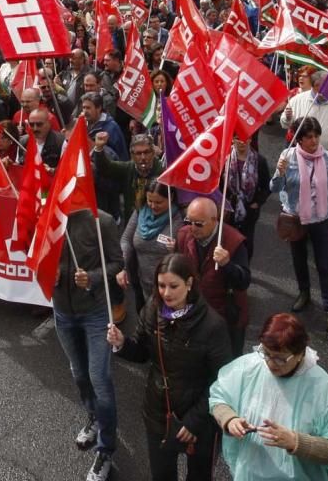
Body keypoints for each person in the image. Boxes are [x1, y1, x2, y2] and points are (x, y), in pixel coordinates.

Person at [106, 254, 234, 481]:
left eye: (173, 286)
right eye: (161, 285)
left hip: (198, 418)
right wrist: (122, 344)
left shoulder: (213, 326)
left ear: (190, 283)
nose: (166, 293)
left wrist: (195, 420)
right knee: (162, 475)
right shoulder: (152, 309)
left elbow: (222, 381)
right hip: (159, 411)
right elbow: (142, 353)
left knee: (199, 476)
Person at [209, 313, 328, 480]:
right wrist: (230, 420)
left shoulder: (325, 391)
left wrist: (296, 442)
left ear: (300, 354)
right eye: (266, 353)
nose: (270, 363)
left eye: (280, 359)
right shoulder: (249, 367)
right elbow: (218, 397)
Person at [53, 207, 124, 481]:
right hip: (62, 312)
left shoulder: (102, 220)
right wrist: (52, 271)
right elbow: (34, 253)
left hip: (95, 313)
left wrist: (92, 277)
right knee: (79, 373)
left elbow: (118, 262)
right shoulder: (48, 216)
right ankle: (94, 417)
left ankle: (105, 450)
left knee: (100, 379)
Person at [272, 117, 328, 333]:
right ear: (299, 139)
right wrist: (280, 173)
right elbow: (274, 188)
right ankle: (304, 293)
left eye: (316, 136)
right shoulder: (287, 157)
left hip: (323, 219)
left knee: (325, 265)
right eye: (308, 137)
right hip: (296, 219)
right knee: (299, 260)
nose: (314, 141)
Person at [176, 197, 251, 356]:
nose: (192, 228)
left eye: (199, 224)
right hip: (194, 313)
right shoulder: (183, 235)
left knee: (228, 364)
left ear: (214, 220)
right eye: (189, 221)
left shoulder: (234, 240)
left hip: (225, 317)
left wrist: (227, 265)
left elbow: (243, 282)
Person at [117, 181, 182, 312]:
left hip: (168, 286)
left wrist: (176, 249)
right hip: (142, 281)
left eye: (158, 202)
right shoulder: (140, 211)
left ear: (171, 198)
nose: (153, 206)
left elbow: (187, 255)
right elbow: (126, 240)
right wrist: (122, 265)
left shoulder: (179, 220)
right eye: (150, 201)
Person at [279, 71, 328, 160]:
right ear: (313, 86)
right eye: (319, 87)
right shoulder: (297, 100)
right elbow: (285, 125)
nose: (324, 91)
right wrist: (288, 118)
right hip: (301, 155)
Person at [92, 132, 163, 224]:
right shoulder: (128, 168)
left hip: (157, 222)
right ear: (132, 155)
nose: (143, 157)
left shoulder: (162, 171)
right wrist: (99, 148)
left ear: (153, 152)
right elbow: (105, 167)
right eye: (138, 153)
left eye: (146, 152)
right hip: (132, 223)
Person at [224, 135, 271, 260]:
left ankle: (244, 269)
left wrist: (257, 203)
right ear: (232, 139)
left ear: (250, 139)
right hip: (229, 209)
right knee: (227, 241)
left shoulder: (259, 161)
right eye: (237, 138)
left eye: (245, 138)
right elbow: (218, 184)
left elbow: (267, 186)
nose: (241, 142)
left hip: (249, 210)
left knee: (246, 242)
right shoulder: (225, 159)